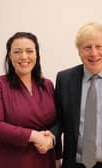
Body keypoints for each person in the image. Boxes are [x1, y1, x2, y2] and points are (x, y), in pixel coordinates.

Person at [0, 32, 61, 168]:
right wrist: (34, 135)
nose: (24, 56)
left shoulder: (47, 85)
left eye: (29, 51)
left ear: (36, 55)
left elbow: (56, 122)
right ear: (9, 56)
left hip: (44, 159)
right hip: (7, 161)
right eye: (17, 52)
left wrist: (57, 154)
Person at [54, 22, 102, 168]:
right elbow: (58, 120)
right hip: (74, 164)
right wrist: (55, 154)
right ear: (79, 52)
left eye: (99, 46)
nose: (93, 53)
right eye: (87, 47)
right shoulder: (65, 79)